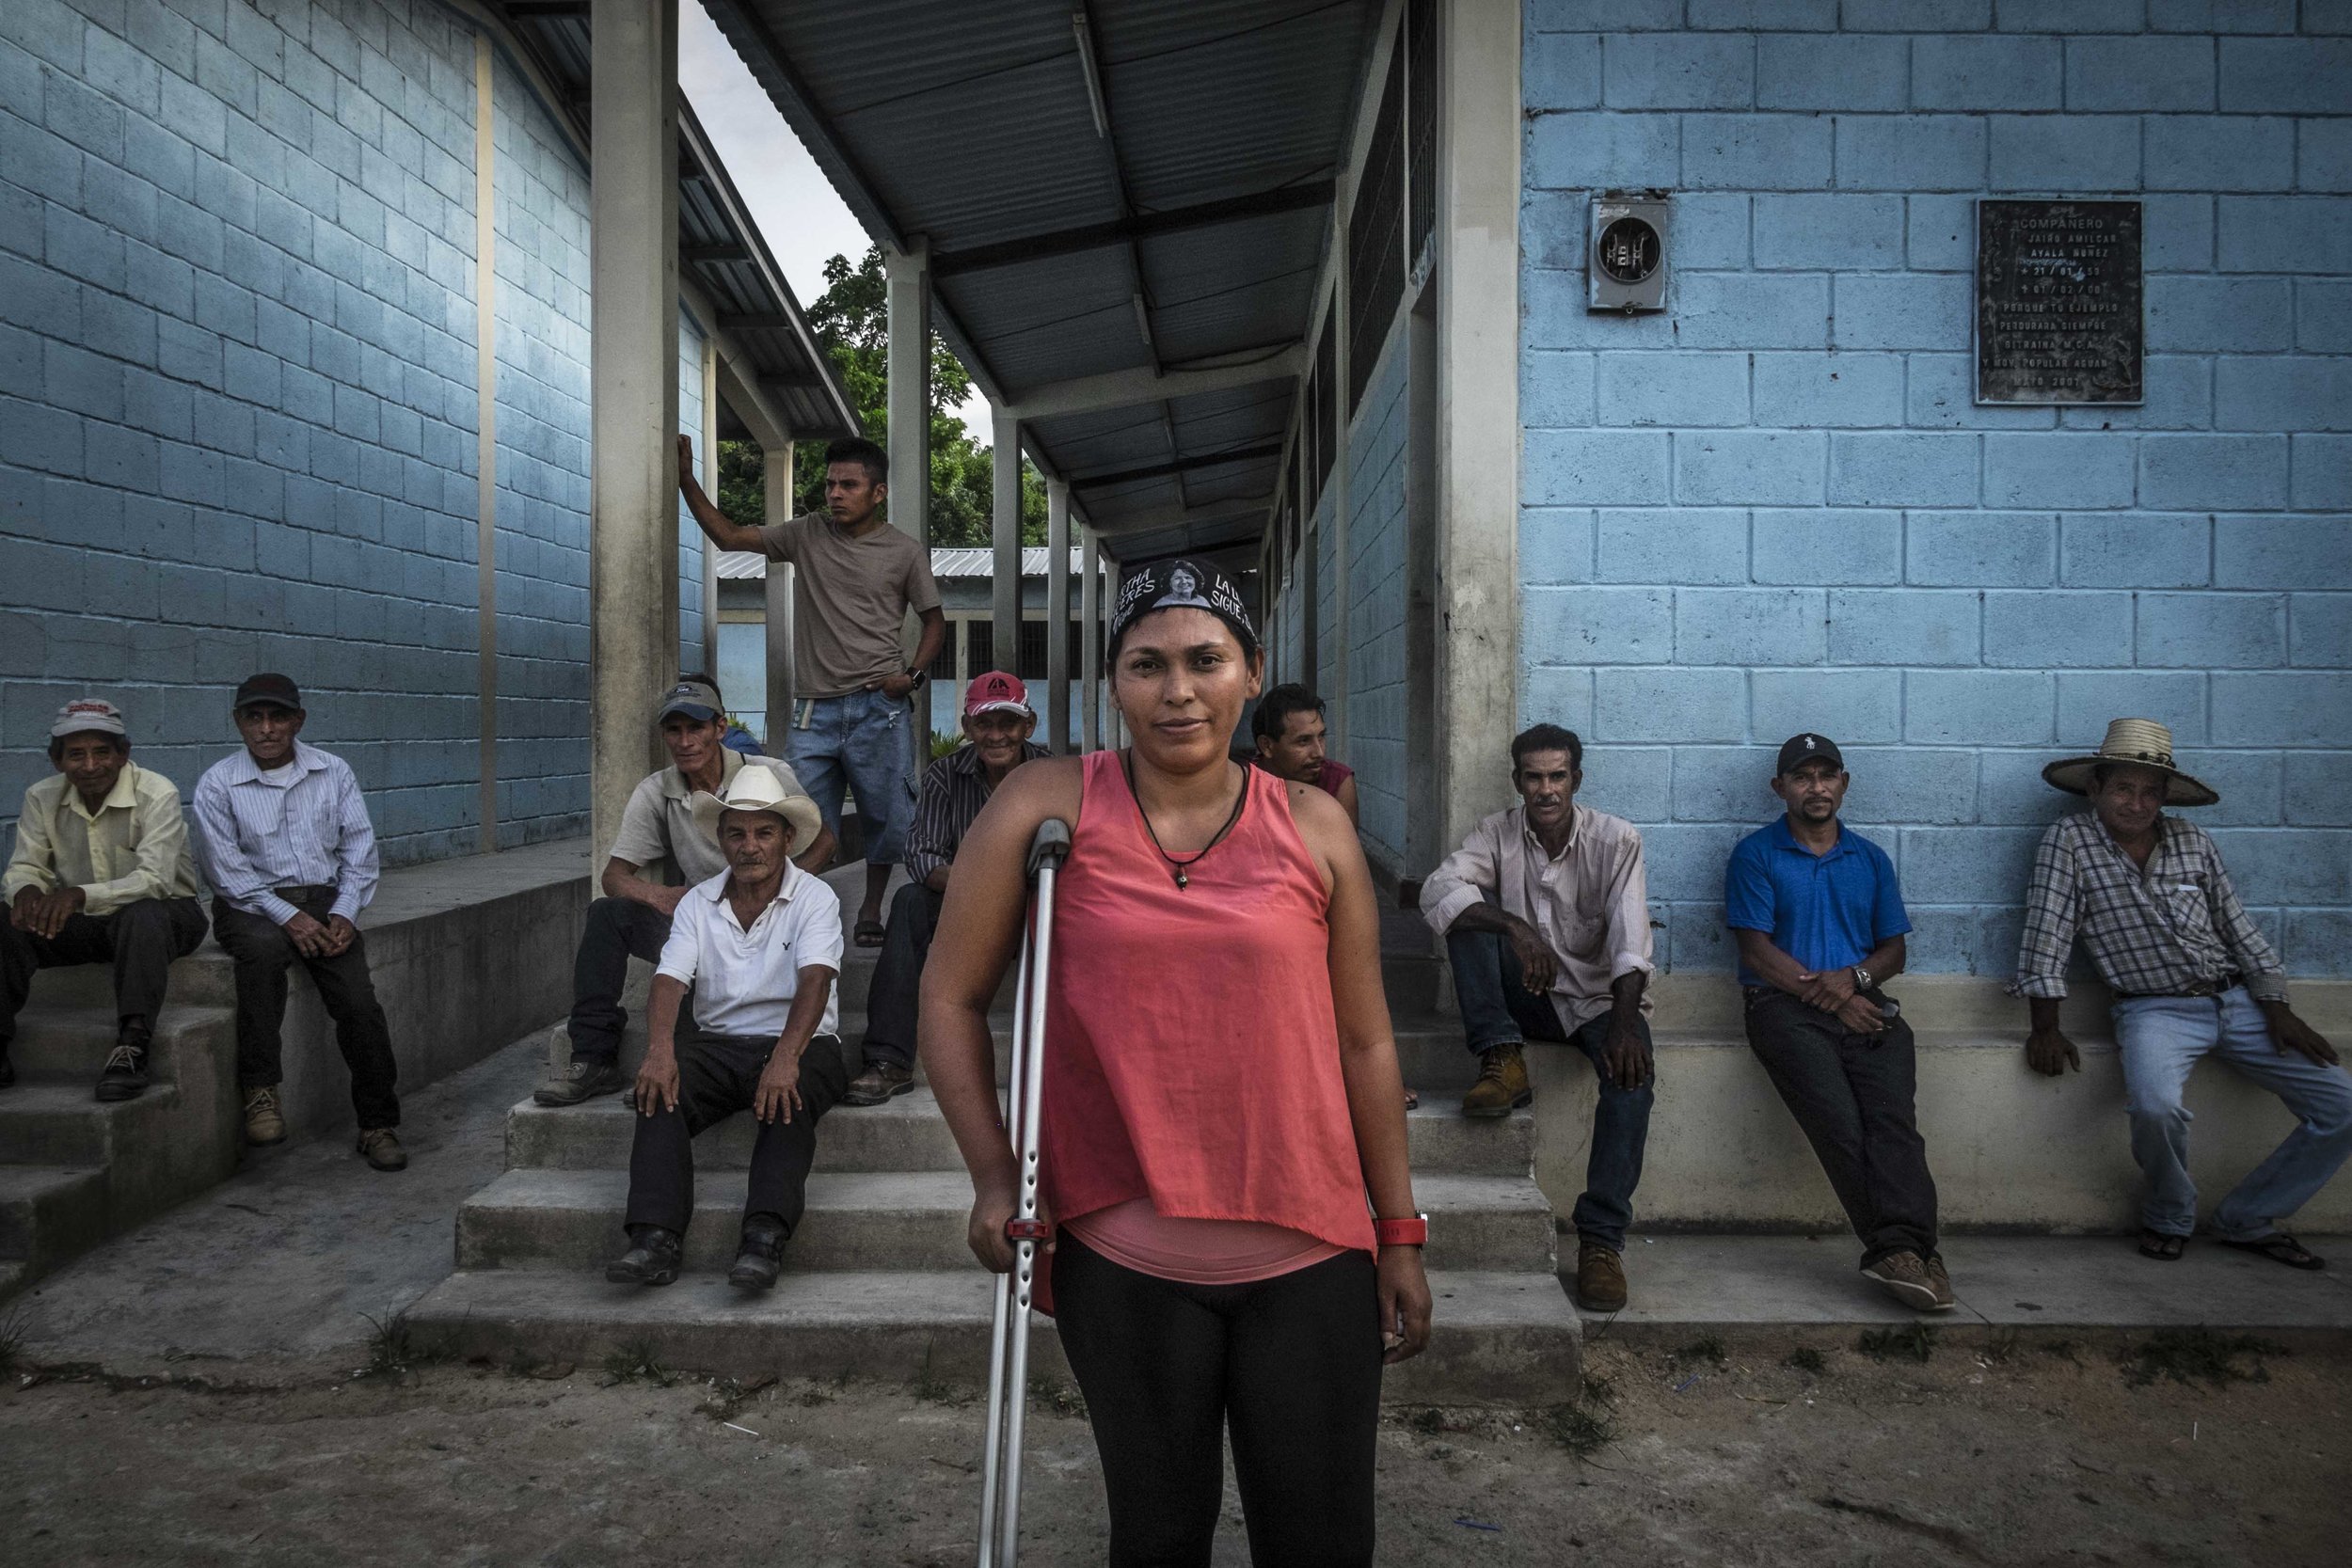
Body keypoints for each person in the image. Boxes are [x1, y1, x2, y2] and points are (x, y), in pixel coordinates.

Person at [923, 557, 1429, 1568]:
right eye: (1147, 664)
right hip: (1126, 1258)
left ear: (1248, 672)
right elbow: (947, 994)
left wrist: (1400, 1230)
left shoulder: (1315, 824)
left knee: (1321, 1542)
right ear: (1114, 681)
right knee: (1155, 1535)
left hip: (1311, 1249)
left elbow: (1365, 1039)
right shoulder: (1044, 802)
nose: (1178, 689)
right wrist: (991, 1171)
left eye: (1206, 660)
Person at [2015, 717, 2349, 1270]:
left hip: (2236, 1001)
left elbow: (2237, 927)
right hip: (2152, 1009)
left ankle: (2249, 1218)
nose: (2136, 802)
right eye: (2123, 787)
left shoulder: (2192, 839)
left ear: (2165, 796)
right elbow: (2047, 929)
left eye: (2150, 791)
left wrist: (2277, 1006)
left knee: (2342, 1105)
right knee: (2155, 1106)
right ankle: (2170, 1214)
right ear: (2096, 788)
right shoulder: (2070, 840)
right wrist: (2045, 1026)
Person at [1420, 722, 1654, 1314]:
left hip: (1601, 1003)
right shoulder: (1496, 833)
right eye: (1533, 777)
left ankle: (1601, 1242)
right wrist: (1513, 927)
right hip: (1532, 996)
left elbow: (1631, 943)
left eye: (1557, 776)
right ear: (1517, 780)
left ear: (1576, 778)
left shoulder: (1616, 840)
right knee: (1466, 914)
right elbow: (1437, 889)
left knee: (1632, 1081)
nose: (1545, 789)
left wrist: (1626, 1026)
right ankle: (1502, 1058)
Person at [678, 434, 945, 952]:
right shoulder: (806, 535)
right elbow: (730, 537)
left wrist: (911, 676)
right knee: (794, 817)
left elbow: (934, 621)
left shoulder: (904, 552)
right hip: (813, 711)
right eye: (830, 484)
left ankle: (871, 905)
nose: (835, 494)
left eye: (849, 485)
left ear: (879, 492)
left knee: (887, 818)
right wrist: (688, 480)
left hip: (879, 707)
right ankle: (795, 914)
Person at [1725, 734, 1948, 1312]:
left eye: (1827, 776)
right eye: (1802, 778)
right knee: (1839, 1122)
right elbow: (1756, 952)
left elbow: (1892, 952)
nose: (1816, 787)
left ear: (1844, 784)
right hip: (1781, 1008)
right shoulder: (1756, 854)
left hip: (1863, 1003)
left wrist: (1854, 983)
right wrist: (1835, 997)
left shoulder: (1870, 858)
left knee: (1894, 1125)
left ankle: (1914, 1250)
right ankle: (1900, 1248)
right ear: (1781, 789)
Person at [535, 675, 834, 1107]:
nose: (685, 740)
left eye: (695, 728)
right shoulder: (657, 790)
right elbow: (615, 876)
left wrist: (786, 888)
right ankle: (595, 1057)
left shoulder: (767, 775)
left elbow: (825, 840)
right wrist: (659, 897)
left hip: (772, 922)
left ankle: (684, 1074)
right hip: (704, 919)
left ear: (719, 729)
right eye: (674, 730)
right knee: (607, 914)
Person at [606, 767, 847, 1291]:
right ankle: (654, 1239)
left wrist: (786, 1058)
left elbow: (816, 980)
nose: (749, 846)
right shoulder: (698, 902)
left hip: (802, 1042)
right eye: (736, 833)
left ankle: (763, 1239)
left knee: (792, 1094)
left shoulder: (815, 898)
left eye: (763, 833)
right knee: (658, 1090)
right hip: (717, 1044)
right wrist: (660, 1049)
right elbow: (669, 980)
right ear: (720, 838)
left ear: (787, 837)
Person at [190, 674, 405, 1168]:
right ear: (239, 723)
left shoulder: (333, 772)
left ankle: (378, 1124)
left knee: (358, 1004)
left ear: (298, 720)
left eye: (278, 717)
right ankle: (261, 1091)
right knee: (262, 957)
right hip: (249, 906)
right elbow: (227, 871)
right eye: (254, 718)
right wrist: (291, 919)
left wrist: (345, 911)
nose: (267, 729)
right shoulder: (219, 783)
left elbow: (359, 850)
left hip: (325, 901)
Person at [844, 671, 1047, 1107]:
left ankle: (1072, 1060)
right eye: (985, 723)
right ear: (967, 726)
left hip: (1038, 907)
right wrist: (992, 883)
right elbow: (921, 856)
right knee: (909, 901)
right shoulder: (944, 776)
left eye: (1007, 723)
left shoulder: (1052, 774)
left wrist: (1015, 888)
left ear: (1028, 724)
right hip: (967, 909)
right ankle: (888, 1060)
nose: (996, 735)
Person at [1, 699, 208, 1099]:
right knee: (3, 917)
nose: (91, 765)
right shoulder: (41, 797)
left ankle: (132, 1045)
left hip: (168, 915)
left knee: (142, 913)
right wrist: (25, 888)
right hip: (88, 921)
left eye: (102, 752)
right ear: (56, 760)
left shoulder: (157, 793)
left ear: (123, 754)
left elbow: (156, 880)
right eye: (76, 754)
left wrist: (78, 894)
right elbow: (26, 865)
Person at [1250, 684, 1359, 825]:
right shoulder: (1244, 786)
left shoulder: (1337, 780)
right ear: (1267, 746)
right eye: (1303, 741)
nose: (1319, 752)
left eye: (1321, 736)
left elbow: (1345, 846)